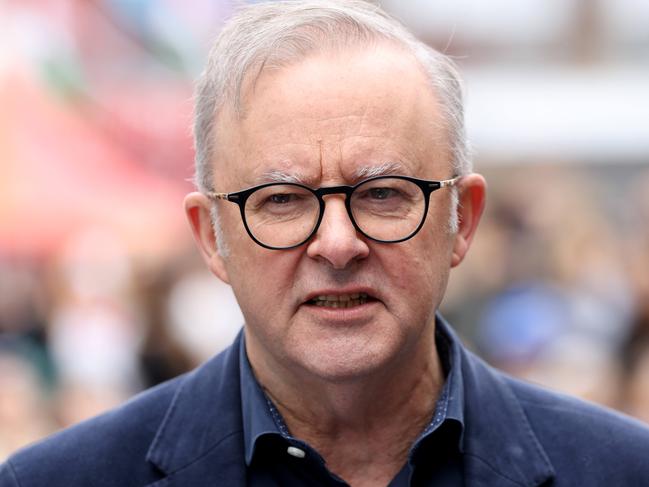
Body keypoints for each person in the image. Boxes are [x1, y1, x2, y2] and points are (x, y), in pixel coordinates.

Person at [2, 1, 649, 485]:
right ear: (211, 237)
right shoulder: (59, 480)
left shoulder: (619, 470)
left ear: (462, 218)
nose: (336, 244)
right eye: (281, 201)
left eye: (383, 193)